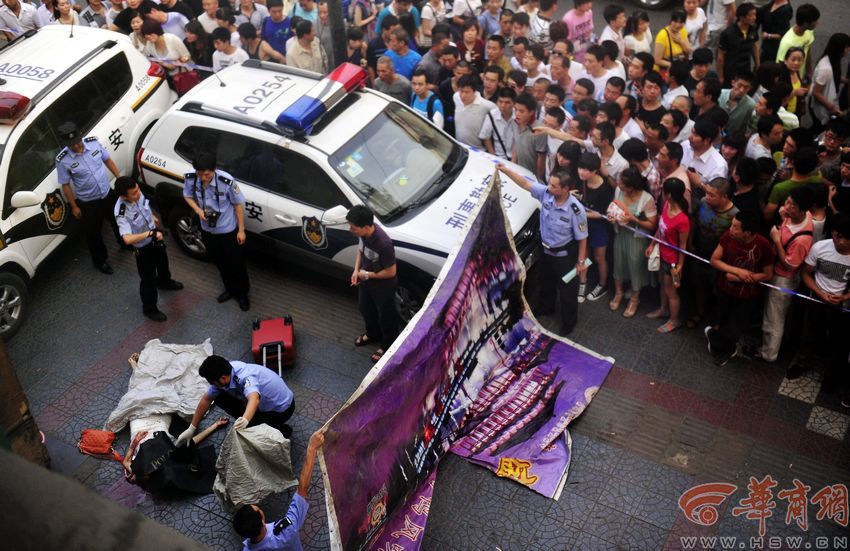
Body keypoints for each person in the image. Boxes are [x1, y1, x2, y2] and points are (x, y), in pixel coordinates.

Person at [498, 164, 587, 335]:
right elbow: (524, 183)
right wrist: (505, 170)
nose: (549, 187)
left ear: (566, 189)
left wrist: (581, 262)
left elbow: (583, 238)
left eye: (554, 186)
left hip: (565, 256)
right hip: (545, 251)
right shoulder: (546, 193)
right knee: (546, 282)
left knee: (567, 290)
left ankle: (569, 321)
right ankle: (546, 307)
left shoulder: (576, 210)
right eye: (550, 184)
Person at [233, 431, 324, 550]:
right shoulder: (286, 532)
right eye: (258, 509)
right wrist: (312, 447)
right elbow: (303, 489)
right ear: (262, 519)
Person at [183, 152, 250, 311]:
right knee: (220, 262)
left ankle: (242, 294)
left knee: (236, 263)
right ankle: (229, 289)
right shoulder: (192, 179)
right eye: (200, 174)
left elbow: (238, 205)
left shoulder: (226, 181)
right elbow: (186, 195)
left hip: (228, 230)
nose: (203, 178)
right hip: (207, 230)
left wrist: (241, 230)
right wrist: (198, 210)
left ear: (214, 169)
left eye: (207, 174)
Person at [179, 355, 296, 446]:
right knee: (219, 397)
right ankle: (253, 421)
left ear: (223, 378)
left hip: (282, 409)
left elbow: (254, 399)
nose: (211, 385)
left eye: (212, 382)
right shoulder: (226, 372)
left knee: (252, 425)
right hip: (260, 404)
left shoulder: (245, 376)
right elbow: (206, 399)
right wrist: (192, 428)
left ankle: (280, 430)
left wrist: (245, 420)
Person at [707, 210, 774, 365]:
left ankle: (718, 342)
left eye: (735, 227)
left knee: (736, 327)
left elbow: (767, 274)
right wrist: (737, 271)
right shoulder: (727, 237)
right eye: (732, 225)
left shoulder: (763, 246)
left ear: (748, 232)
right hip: (725, 289)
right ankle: (720, 345)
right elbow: (715, 260)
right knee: (722, 320)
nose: (731, 229)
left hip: (747, 295)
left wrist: (742, 278)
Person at [55, 121, 123, 275]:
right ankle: (100, 261)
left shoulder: (93, 143)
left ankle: (124, 242)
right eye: (72, 145)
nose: (77, 147)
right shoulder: (62, 159)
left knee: (117, 220)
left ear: (81, 137)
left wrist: (118, 177)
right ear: (66, 144)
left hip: (106, 193)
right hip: (88, 202)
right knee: (94, 233)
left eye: (78, 142)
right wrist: (74, 206)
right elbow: (65, 185)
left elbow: (107, 160)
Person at [757, 186, 815, 363]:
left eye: (792, 205)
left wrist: (776, 239)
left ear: (803, 209)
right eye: (787, 201)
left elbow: (790, 265)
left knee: (774, 317)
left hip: (783, 279)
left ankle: (768, 354)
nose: (787, 206)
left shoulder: (803, 239)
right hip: (775, 271)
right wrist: (784, 219)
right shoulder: (796, 217)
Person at [114, 176, 183, 322]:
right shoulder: (121, 212)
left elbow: (144, 205)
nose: (138, 194)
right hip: (143, 248)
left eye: (138, 190)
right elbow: (126, 239)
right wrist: (150, 233)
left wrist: (152, 216)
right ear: (123, 196)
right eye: (134, 193)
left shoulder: (137, 193)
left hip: (154, 237)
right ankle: (150, 309)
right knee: (148, 279)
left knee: (163, 263)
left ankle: (165, 282)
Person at [800, 212, 850, 407]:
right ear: (834, 234)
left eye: (847, 239)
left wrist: (844, 297)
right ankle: (802, 363)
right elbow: (805, 273)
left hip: (841, 306)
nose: (843, 243)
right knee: (808, 333)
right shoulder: (820, 248)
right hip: (816, 299)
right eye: (840, 237)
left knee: (837, 343)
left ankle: (830, 375)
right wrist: (820, 293)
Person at [347, 206, 400, 363]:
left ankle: (388, 344)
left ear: (366, 227)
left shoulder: (384, 244)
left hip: (383, 287)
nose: (351, 230)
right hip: (366, 281)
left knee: (387, 317)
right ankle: (372, 334)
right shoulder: (362, 235)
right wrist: (356, 271)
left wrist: (368, 274)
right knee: (365, 308)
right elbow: (360, 251)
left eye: (353, 228)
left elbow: (391, 272)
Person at [608, 167, 658, 318]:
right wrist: (612, 218)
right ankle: (618, 292)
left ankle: (635, 298)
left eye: (622, 184)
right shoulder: (618, 191)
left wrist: (633, 219)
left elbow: (652, 225)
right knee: (619, 264)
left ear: (632, 187)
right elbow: (614, 208)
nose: (619, 185)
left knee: (635, 268)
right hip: (620, 234)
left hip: (637, 239)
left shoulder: (646, 199)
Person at [648, 177, 690, 333]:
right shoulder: (666, 205)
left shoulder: (682, 219)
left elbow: (683, 245)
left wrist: (680, 265)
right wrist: (653, 244)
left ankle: (674, 320)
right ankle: (663, 309)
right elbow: (661, 227)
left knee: (671, 291)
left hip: (672, 261)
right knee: (663, 285)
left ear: (669, 195)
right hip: (662, 254)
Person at [575, 152, 613, 303]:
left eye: (586, 170)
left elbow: (604, 215)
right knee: (583, 256)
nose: (581, 172)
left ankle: (603, 284)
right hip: (583, 225)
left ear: (595, 171)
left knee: (599, 258)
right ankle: (582, 283)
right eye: (580, 168)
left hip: (599, 227)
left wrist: (581, 213)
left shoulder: (605, 189)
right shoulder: (580, 181)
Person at [810, 33, 850, 135]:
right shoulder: (826, 69)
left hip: (827, 103)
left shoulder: (833, 61)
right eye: (847, 47)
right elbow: (816, 92)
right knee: (819, 128)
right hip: (822, 106)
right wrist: (832, 108)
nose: (848, 50)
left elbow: (834, 76)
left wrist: (845, 81)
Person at [716, 2, 759, 87]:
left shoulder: (753, 28)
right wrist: (720, 76)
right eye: (751, 15)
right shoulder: (728, 34)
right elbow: (720, 56)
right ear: (742, 17)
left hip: (746, 69)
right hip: (731, 72)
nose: (754, 18)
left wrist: (757, 63)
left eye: (755, 15)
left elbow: (754, 46)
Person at [775, 3, 820, 80]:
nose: (817, 23)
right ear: (806, 24)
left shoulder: (808, 31)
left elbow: (808, 50)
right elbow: (780, 65)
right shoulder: (787, 43)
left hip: (799, 77)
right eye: (815, 21)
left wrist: (809, 72)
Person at [480, 87, 517, 160]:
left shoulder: (518, 116)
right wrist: (493, 155)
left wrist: (513, 160)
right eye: (500, 101)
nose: (503, 105)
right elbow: (485, 136)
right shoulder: (492, 115)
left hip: (516, 157)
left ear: (514, 103)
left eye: (507, 102)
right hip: (498, 156)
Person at [718, 69, 756, 137]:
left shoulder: (750, 105)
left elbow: (745, 126)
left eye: (746, 87)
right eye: (739, 85)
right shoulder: (720, 95)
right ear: (733, 83)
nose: (742, 90)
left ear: (750, 88)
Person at [654, 9, 690, 75]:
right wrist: (675, 66)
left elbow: (688, 51)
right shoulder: (662, 35)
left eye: (681, 22)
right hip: (667, 71)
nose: (677, 25)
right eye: (675, 21)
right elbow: (657, 60)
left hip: (681, 69)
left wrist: (681, 42)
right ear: (670, 20)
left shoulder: (682, 31)